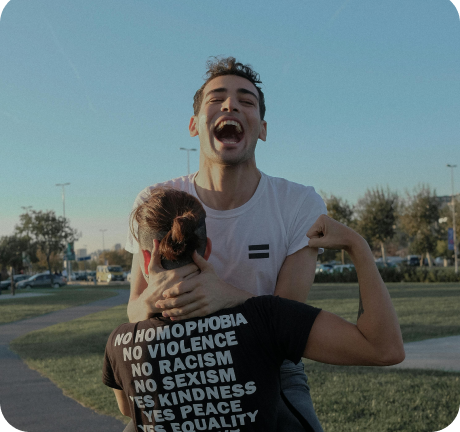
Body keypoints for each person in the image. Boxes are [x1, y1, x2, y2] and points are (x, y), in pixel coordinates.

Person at [125, 56, 327, 432]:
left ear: (262, 128)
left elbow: (286, 324)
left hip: (270, 366)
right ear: (193, 125)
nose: (230, 105)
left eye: (246, 101)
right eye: (216, 99)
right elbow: (134, 312)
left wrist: (226, 296)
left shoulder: (300, 203)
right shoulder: (155, 200)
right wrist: (149, 303)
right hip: (180, 364)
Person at [105, 188, 404, 432]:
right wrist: (357, 246)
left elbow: (128, 407)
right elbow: (383, 348)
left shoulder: (120, 343)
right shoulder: (265, 319)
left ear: (146, 259)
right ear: (207, 249)